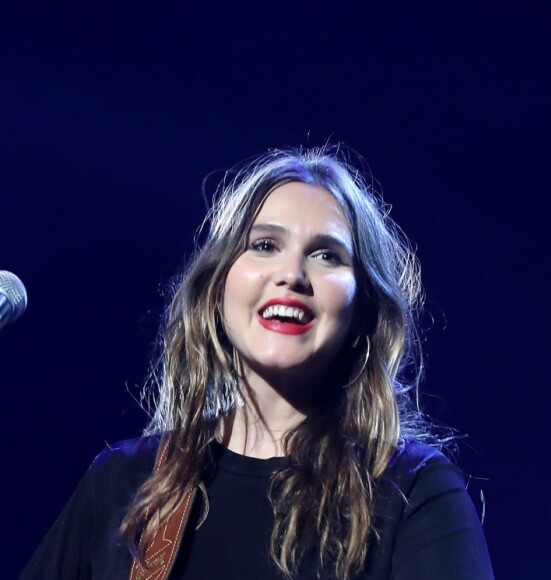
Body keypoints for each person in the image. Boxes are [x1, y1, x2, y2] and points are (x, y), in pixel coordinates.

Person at [20, 146, 494, 579]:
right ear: (218, 285)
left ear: (363, 309)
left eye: (327, 255)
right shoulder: (125, 483)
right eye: (264, 245)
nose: (291, 274)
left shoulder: (413, 493)